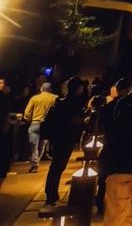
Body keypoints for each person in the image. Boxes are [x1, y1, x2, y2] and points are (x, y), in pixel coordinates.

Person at [42, 76, 88, 211]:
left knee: (56, 167)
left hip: (59, 138)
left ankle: (51, 194)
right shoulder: (72, 103)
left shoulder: (61, 101)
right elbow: (72, 120)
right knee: (57, 167)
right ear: (78, 88)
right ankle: (51, 195)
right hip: (65, 138)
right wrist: (82, 121)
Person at [23, 81, 56, 172]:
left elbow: (27, 113)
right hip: (48, 125)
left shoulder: (34, 98)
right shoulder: (55, 98)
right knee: (42, 144)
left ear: (41, 89)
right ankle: (37, 162)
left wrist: (28, 119)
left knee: (34, 146)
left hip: (35, 123)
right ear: (50, 89)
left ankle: (34, 165)